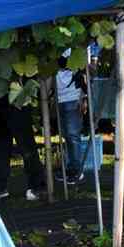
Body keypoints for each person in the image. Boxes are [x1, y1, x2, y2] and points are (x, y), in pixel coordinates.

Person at [0, 91, 45, 202]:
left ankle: (36, 185)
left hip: (18, 95)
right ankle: (0, 186)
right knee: (0, 144)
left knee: (26, 143)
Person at [55, 51, 86, 185]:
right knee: (67, 136)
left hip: (73, 97)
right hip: (59, 97)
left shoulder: (75, 48)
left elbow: (85, 73)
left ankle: (76, 171)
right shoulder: (52, 46)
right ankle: (70, 169)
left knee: (73, 136)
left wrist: (84, 98)